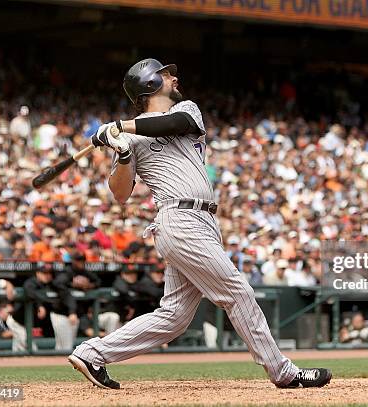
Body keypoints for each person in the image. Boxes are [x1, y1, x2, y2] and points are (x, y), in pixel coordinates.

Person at [68, 58, 331, 389]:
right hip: (179, 219)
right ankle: (283, 372)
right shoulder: (130, 139)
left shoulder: (186, 111)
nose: (173, 78)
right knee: (238, 291)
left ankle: (93, 352)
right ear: (149, 83)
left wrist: (121, 126)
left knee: (174, 317)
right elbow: (120, 193)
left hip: (204, 221)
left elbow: (172, 123)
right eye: (165, 75)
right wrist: (121, 154)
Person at [51, 253, 100, 350]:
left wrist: (89, 285)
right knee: (66, 347)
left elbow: (98, 281)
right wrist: (72, 284)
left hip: (73, 315)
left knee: (65, 346)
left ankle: (58, 364)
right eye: (78, 260)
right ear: (73, 261)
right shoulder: (67, 271)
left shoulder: (85, 272)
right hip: (61, 314)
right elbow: (57, 283)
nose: (80, 263)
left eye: (82, 261)